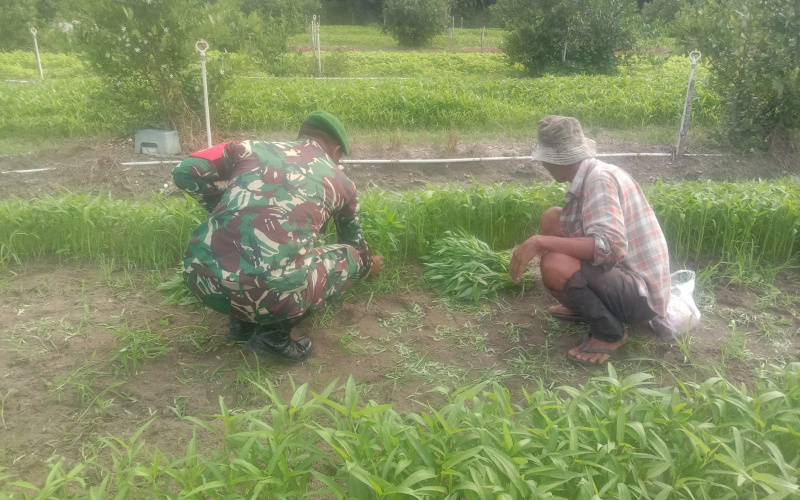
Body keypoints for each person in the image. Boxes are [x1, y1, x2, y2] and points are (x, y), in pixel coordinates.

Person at [172, 111, 383, 363]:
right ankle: (273, 337)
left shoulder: (246, 148)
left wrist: (224, 208)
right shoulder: (341, 182)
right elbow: (354, 243)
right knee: (350, 257)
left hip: (201, 281)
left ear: (301, 136)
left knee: (246, 253)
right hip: (272, 295)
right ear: (336, 149)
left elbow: (184, 170)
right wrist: (368, 266)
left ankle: (241, 326)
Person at [510, 115, 670, 365]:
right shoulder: (593, 173)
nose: (542, 164)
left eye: (544, 159)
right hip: (625, 279)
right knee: (552, 218)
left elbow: (609, 248)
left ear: (557, 159)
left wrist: (539, 242)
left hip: (641, 298)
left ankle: (610, 333)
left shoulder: (599, 179)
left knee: (554, 263)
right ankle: (582, 304)